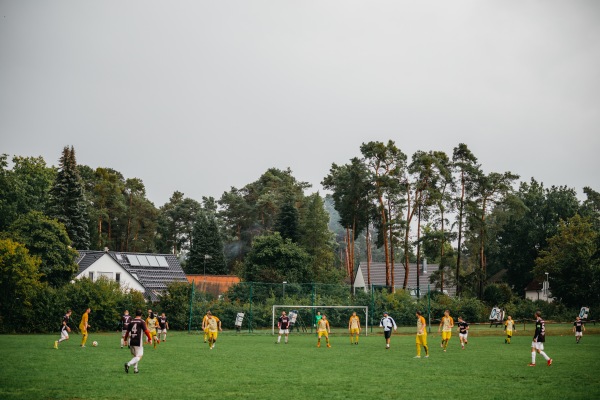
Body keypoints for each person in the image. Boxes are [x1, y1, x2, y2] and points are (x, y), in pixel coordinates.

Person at [124, 309, 152, 374]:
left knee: (135, 356)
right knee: (139, 356)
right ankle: (128, 364)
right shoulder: (142, 321)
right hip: (138, 341)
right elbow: (146, 331)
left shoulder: (131, 321)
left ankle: (135, 369)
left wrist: (125, 340)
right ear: (141, 315)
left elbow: (127, 332)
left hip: (131, 341)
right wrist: (150, 339)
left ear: (135, 314)